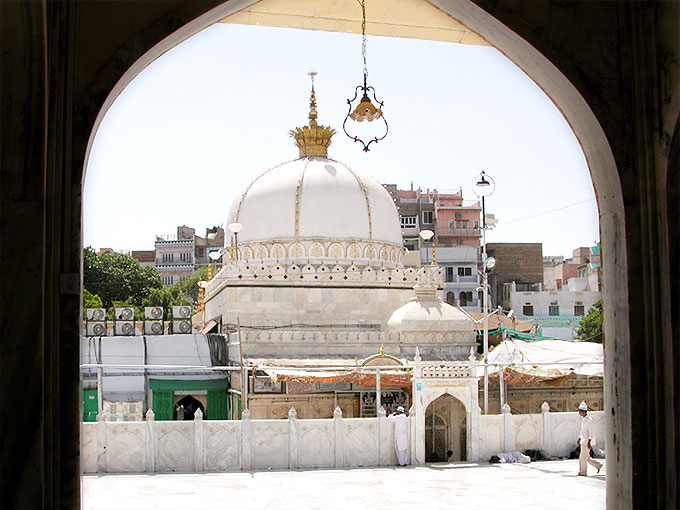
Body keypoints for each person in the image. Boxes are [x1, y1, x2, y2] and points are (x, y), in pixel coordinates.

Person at [576, 401, 602, 476]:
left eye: (580, 412)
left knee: (582, 458)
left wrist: (589, 442)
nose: (579, 413)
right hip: (583, 440)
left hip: (586, 441)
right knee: (586, 457)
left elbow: (591, 432)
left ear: (584, 412)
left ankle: (582, 472)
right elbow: (582, 431)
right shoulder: (583, 419)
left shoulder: (589, 420)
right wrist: (579, 438)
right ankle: (598, 465)